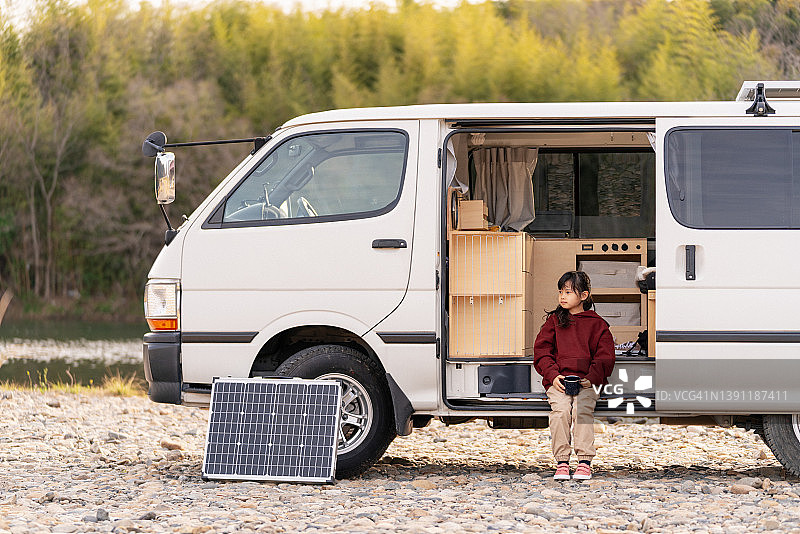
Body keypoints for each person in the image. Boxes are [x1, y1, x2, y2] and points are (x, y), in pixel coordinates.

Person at [533, 271, 615, 480]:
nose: (562, 296)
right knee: (560, 412)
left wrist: (593, 378)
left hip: (587, 382)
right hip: (559, 382)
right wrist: (553, 376)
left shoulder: (597, 325)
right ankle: (562, 462)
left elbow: (605, 357)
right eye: (560, 291)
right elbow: (541, 352)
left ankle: (584, 462)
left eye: (568, 292)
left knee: (581, 410)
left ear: (584, 296)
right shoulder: (554, 321)